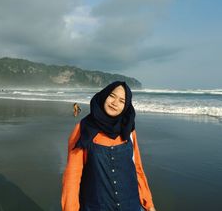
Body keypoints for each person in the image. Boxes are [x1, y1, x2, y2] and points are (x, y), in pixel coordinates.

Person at [62, 81, 156, 211]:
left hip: (131, 205)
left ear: (126, 106)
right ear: (104, 95)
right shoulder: (83, 129)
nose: (115, 103)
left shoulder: (128, 131)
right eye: (112, 96)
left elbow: (137, 169)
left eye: (122, 101)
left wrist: (148, 204)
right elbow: (72, 175)